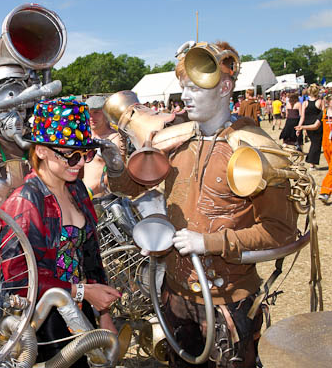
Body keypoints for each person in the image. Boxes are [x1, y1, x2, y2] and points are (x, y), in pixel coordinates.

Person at [108, 41, 297, 368]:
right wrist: (114, 165)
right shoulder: (175, 139)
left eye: (195, 88)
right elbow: (132, 185)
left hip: (228, 303)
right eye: (184, 87)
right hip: (175, 296)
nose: (185, 96)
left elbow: (281, 231)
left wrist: (210, 243)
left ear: (225, 86)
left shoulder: (254, 150)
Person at [0, 97, 121, 367]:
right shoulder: (24, 203)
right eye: (71, 155)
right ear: (41, 150)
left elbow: (91, 254)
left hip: (80, 310)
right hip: (42, 324)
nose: (80, 163)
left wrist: (104, 312)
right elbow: (18, 282)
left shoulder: (76, 189)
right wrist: (82, 292)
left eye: (86, 154)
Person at [82, 95, 126, 197]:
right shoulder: (86, 135)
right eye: (88, 113)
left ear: (106, 114)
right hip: (85, 198)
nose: (91, 117)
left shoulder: (114, 139)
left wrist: (91, 191)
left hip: (104, 201)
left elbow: (118, 175)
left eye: (96, 112)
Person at [296, 84, 324, 170]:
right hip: (317, 124)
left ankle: (312, 162)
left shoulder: (305, 103)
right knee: (316, 144)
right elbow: (323, 114)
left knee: (313, 143)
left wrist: (299, 127)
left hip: (307, 124)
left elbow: (302, 117)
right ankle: (312, 163)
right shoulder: (320, 102)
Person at [319, 95, 332, 203]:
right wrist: (303, 127)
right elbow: (316, 125)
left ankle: (325, 192)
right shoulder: (323, 113)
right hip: (326, 145)